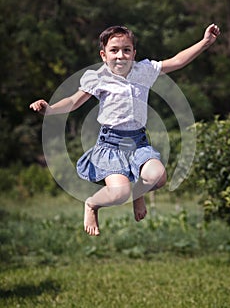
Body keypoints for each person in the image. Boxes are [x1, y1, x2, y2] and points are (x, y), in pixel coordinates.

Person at [30, 23, 220, 236]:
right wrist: (50, 109)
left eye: (126, 50)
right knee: (119, 193)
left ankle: (137, 192)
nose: (120, 55)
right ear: (104, 55)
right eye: (114, 50)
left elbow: (176, 61)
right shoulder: (98, 77)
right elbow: (73, 101)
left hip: (138, 142)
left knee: (158, 177)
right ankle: (92, 205)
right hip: (111, 144)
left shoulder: (143, 70)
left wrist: (204, 43)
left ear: (134, 53)